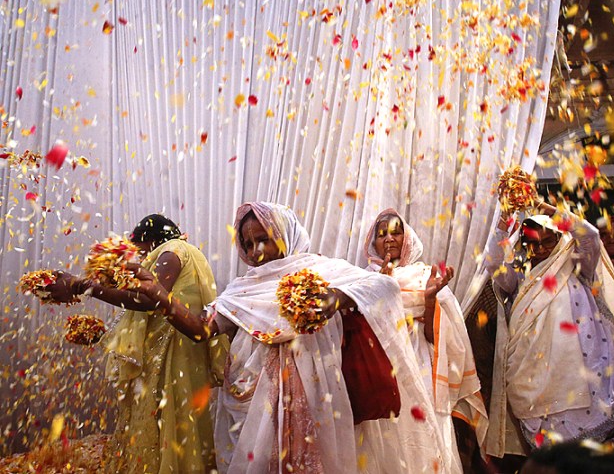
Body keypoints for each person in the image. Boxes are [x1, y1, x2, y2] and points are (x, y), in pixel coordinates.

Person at [133, 202, 448, 473]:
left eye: (265, 239)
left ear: (284, 235)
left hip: (317, 403)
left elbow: (384, 288)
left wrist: (336, 297)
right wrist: (158, 295)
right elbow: (201, 329)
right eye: (248, 242)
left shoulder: (321, 270)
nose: (257, 250)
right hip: (253, 404)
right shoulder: (242, 289)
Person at [47, 214, 226, 473]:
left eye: (140, 253)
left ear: (149, 241)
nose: (140, 261)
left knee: (166, 418)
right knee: (173, 420)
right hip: (180, 347)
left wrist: (81, 286)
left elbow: (146, 300)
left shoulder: (172, 250)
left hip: (173, 349)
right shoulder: (186, 253)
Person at [484, 200, 614, 459]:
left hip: (575, 382)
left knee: (582, 458)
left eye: (547, 242)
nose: (540, 249)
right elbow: (494, 265)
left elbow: (590, 236)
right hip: (531, 382)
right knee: (548, 459)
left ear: (560, 239)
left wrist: (546, 209)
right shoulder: (520, 277)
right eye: (534, 244)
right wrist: (503, 222)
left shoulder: (577, 267)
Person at [364, 209, 488, 473]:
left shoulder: (424, 277)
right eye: (382, 234)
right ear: (372, 243)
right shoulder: (362, 281)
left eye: (396, 232)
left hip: (422, 371)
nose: (389, 239)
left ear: (407, 237)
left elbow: (437, 339)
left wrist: (430, 300)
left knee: (424, 438)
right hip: (382, 374)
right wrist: (381, 287)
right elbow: (364, 334)